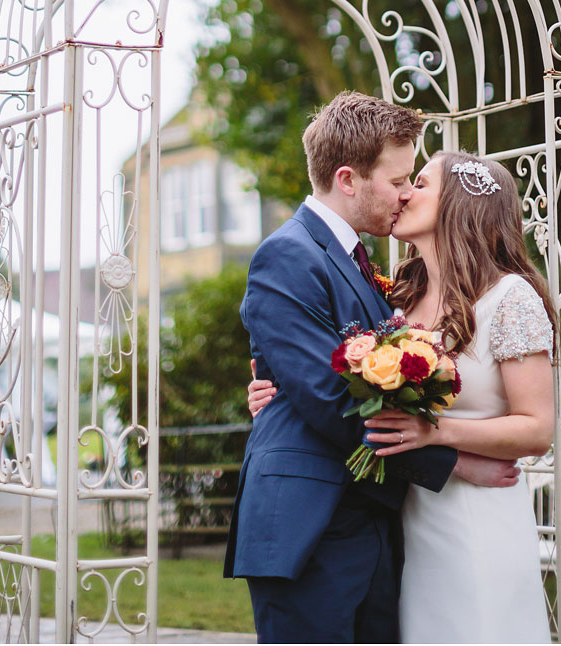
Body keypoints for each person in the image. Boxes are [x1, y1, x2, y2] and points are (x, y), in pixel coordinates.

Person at [223, 93, 524, 644]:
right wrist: (454, 462)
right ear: (347, 179)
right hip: (310, 525)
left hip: (376, 520)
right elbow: (331, 398)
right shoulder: (287, 255)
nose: (407, 193)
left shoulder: (370, 268)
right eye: (398, 180)